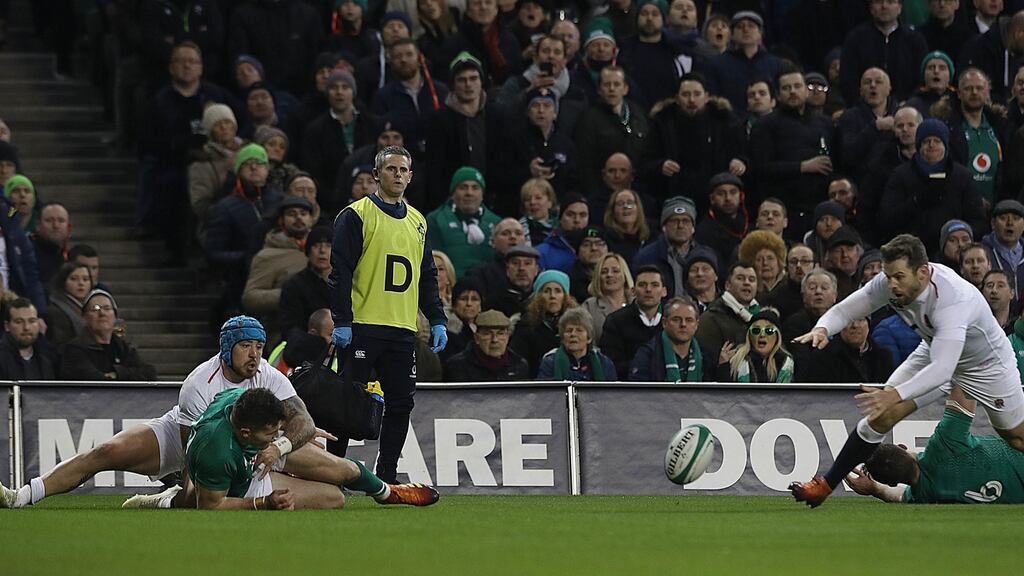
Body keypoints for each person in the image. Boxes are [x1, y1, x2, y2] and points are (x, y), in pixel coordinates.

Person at [790, 234, 1024, 508]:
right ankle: (825, 486)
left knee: (1016, 438)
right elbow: (846, 310)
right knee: (882, 415)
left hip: (985, 366)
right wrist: (823, 328)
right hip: (935, 350)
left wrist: (895, 394)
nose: (891, 284)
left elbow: (943, 369)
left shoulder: (952, 299)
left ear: (923, 272)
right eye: (888, 276)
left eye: (899, 277)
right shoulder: (889, 282)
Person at [329, 145, 448, 481]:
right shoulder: (356, 215)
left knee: (401, 404)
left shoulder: (418, 221)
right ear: (376, 174)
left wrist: (436, 318)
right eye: (391, 169)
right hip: (363, 326)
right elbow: (341, 271)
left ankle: (387, 475)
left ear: (410, 177)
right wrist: (342, 320)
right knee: (348, 406)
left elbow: (426, 274)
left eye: (403, 170)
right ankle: (334, 474)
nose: (397, 175)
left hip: (401, 329)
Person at [184, 385, 439, 510]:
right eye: (270, 433)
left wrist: (281, 442)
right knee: (335, 498)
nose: (275, 436)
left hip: (255, 452)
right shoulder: (215, 451)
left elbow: (294, 420)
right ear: (246, 432)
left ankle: (388, 493)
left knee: (345, 470)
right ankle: (167, 499)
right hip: (246, 480)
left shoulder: (240, 400)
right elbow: (210, 506)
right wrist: (261, 503)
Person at [847, 388, 1024, 504]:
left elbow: (899, 496)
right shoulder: (944, 445)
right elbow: (965, 389)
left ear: (892, 482)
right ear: (902, 447)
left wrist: (874, 489)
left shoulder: (925, 496)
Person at [749, 68, 836, 240]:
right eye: (787, 88)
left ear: (806, 90)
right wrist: (802, 167)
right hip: (784, 209)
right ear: (778, 95)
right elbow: (761, 167)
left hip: (817, 208)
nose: (793, 92)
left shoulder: (825, 123)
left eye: (797, 86)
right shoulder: (765, 125)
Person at [641, 73, 745, 216]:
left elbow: (742, 152)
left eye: (697, 94)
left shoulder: (724, 119)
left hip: (715, 195)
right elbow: (646, 160)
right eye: (686, 94)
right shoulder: (662, 122)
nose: (691, 100)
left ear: (707, 96)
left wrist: (740, 161)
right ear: (676, 98)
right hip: (674, 195)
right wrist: (661, 165)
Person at [878, 118, 985, 250]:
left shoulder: (962, 176)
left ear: (945, 145)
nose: (931, 145)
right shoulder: (901, 175)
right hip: (913, 251)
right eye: (926, 141)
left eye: (937, 141)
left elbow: (977, 219)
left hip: (955, 252)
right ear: (918, 146)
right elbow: (888, 218)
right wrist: (917, 201)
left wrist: (959, 237)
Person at [242, 197, 315, 331]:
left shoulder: (326, 250)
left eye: (303, 213)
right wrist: (290, 293)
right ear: (281, 220)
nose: (298, 217)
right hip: (285, 332)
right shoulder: (267, 256)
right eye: (292, 214)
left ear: (312, 219)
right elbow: (250, 298)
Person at [839, 0, 927, 104]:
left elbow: (922, 79)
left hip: (907, 109)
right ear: (871, 8)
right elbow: (848, 79)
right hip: (863, 109)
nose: (884, 6)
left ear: (900, 8)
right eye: (878, 2)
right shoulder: (855, 39)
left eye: (890, 2)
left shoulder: (915, 40)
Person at [59, 290, 157, 381]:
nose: (102, 313)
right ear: (85, 317)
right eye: (95, 309)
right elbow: (95, 380)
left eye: (107, 308)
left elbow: (149, 373)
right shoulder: (74, 349)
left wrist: (117, 374)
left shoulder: (123, 347)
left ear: (115, 316)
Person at [425, 166, 501, 278]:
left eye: (475, 187)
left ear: (482, 194)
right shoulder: (435, 220)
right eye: (463, 187)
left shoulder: (497, 223)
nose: (469, 193)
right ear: (453, 192)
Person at [708, 11, 784, 116]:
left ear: (760, 34)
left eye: (751, 26)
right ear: (732, 35)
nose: (746, 30)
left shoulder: (776, 64)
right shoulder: (716, 64)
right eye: (740, 27)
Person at [599, 265, 668, 377]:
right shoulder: (615, 321)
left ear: (664, 291)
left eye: (654, 285)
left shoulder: (673, 320)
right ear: (633, 291)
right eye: (642, 285)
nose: (648, 290)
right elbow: (612, 364)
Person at [509, 269, 578, 377]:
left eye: (558, 291)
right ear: (538, 296)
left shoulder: (577, 326)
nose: (552, 296)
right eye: (547, 291)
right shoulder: (525, 327)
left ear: (565, 297)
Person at [628, 296, 714, 382]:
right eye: (676, 320)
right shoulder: (647, 355)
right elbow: (638, 392)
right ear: (664, 323)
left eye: (689, 320)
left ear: (696, 325)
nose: (683, 324)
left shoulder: (706, 356)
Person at [632, 195, 701, 299]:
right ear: (664, 227)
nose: (680, 226)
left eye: (686, 221)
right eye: (674, 221)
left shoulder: (704, 256)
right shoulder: (646, 257)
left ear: (693, 228)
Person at [797, 316, 895, 384]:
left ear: (868, 325)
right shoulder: (823, 356)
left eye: (860, 320)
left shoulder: (883, 356)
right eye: (849, 321)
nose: (855, 325)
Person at [278, 227, 333, 342]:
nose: (322, 250)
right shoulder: (294, 285)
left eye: (328, 245)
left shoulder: (350, 282)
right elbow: (290, 328)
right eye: (316, 245)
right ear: (308, 251)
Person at [444, 309, 529, 381]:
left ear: (507, 337)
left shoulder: (519, 365)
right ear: (477, 338)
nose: (494, 340)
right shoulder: (457, 366)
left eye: (500, 334)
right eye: (487, 334)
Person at [694, 261, 759, 354]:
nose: (746, 283)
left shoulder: (761, 317)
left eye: (751, 279)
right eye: (740, 278)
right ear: (727, 285)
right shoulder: (711, 319)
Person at [716, 308, 794, 383]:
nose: (762, 335)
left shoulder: (786, 363)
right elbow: (725, 394)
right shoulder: (734, 360)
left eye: (769, 330)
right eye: (756, 330)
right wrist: (723, 366)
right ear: (749, 336)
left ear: (777, 336)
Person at [537, 307, 616, 381]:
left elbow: (612, 394)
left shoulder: (604, 363)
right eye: (569, 330)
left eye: (579, 330)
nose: (573, 334)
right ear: (562, 338)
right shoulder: (550, 362)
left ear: (589, 338)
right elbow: (545, 394)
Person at [694, 172, 749, 267]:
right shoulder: (704, 231)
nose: (728, 198)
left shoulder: (748, 226)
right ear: (712, 199)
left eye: (733, 192)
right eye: (721, 194)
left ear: (741, 196)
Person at [581, 252, 634, 345]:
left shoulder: (637, 303)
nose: (609, 275)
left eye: (615, 271)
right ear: (598, 278)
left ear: (625, 275)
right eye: (604, 272)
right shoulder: (589, 307)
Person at [0, 298, 57, 380]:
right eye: (19, 322)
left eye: (32, 321)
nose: (26, 327)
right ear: (7, 326)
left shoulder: (50, 355)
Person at [981, 199, 1024, 305]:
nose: (1010, 223)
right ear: (993, 223)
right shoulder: (982, 253)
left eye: (1016, 218)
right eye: (1003, 218)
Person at [763, 244, 816, 319]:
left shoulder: (825, 293)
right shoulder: (775, 298)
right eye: (793, 262)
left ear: (815, 265)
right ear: (787, 267)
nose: (798, 265)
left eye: (805, 261)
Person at [46, 262, 92, 348]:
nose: (81, 283)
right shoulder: (56, 310)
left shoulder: (88, 306)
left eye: (85, 279)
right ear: (63, 281)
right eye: (74, 279)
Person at [601, 189, 652, 264]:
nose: (626, 207)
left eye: (630, 203)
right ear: (612, 211)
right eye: (620, 204)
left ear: (638, 208)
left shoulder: (652, 236)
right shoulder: (605, 239)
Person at [738, 230, 787, 301]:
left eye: (770, 258)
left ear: (779, 262)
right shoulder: (746, 290)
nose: (765, 263)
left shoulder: (789, 286)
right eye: (759, 259)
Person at [982, 269, 1016, 334]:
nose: (994, 290)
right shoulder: (976, 324)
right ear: (982, 292)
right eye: (990, 286)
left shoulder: (1018, 326)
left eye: (1000, 286)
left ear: (1012, 293)